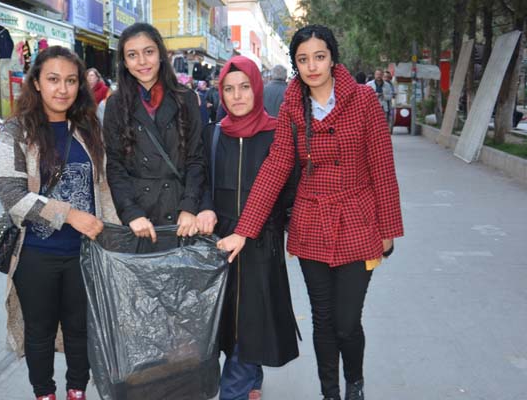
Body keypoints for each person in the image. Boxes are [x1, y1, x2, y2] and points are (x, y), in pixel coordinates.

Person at [217, 25, 404, 400]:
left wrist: (388, 229)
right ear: (296, 65)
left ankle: (355, 382)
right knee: (322, 320)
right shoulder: (291, 105)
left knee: (347, 323)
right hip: (311, 227)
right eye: (303, 59)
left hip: (358, 225)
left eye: (319, 56)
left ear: (333, 57)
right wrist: (245, 229)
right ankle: (330, 393)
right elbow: (276, 167)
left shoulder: (364, 101)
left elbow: (382, 168)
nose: (312, 66)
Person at [0, 46, 120, 400]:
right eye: (52, 80)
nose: (62, 89)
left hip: (84, 254)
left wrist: (116, 232)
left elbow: (104, 188)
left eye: (70, 81)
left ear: (80, 86)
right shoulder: (15, 132)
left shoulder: (88, 128)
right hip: (35, 254)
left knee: (82, 330)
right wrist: (69, 214)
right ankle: (44, 393)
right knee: (40, 331)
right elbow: (12, 195)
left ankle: (76, 391)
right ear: (35, 83)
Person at [196, 55, 299, 400]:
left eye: (244, 87)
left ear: (256, 88)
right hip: (220, 246)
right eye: (229, 89)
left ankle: (236, 390)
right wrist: (205, 208)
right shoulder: (213, 134)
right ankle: (251, 376)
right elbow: (201, 184)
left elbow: (289, 192)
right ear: (220, 94)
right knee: (226, 326)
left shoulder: (278, 135)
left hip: (260, 249)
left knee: (249, 325)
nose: (237, 96)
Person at [103, 22, 204, 243]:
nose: (142, 62)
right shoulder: (116, 104)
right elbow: (115, 165)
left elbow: (196, 159)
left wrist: (189, 206)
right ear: (125, 62)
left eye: (148, 52)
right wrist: (131, 212)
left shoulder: (186, 98)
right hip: (141, 217)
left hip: (180, 215)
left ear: (160, 54)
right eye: (132, 55)